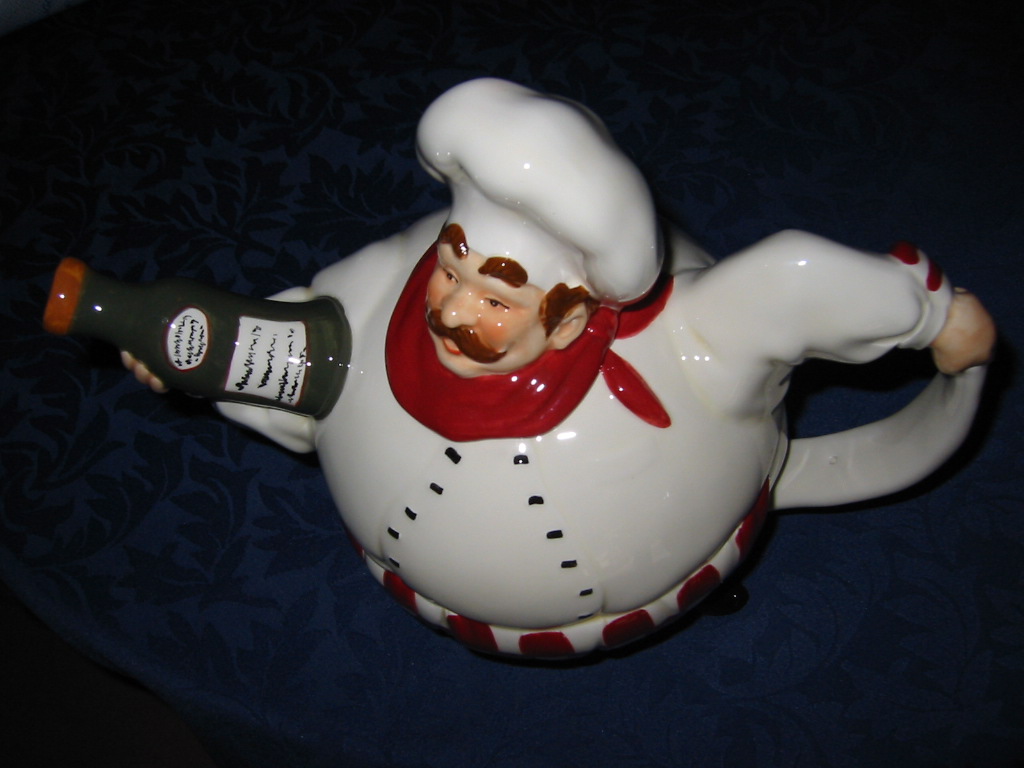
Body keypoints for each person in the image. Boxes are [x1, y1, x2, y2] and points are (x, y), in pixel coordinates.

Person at [127, 79, 995, 657]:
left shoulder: (694, 344)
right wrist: (204, 363)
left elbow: (791, 283)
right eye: (451, 269)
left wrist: (930, 316)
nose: (450, 312)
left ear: (570, 314)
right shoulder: (382, 286)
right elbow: (290, 349)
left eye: (495, 299)